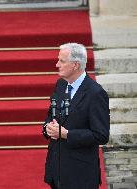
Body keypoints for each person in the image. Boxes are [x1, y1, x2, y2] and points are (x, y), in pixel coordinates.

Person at [42, 43, 110, 189]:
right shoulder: (61, 85)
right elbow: (51, 114)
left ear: (75, 65)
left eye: (62, 61)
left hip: (80, 175)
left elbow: (101, 135)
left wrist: (67, 134)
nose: (57, 64)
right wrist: (47, 127)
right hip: (57, 171)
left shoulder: (95, 93)